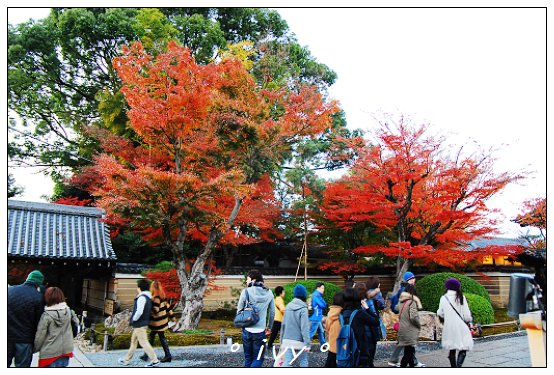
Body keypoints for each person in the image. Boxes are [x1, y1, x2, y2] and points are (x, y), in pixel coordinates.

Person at [237, 269, 275, 367]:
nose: (246, 281)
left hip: (247, 330)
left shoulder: (246, 292)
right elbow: (272, 312)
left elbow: (239, 310)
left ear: (253, 280)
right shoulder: (269, 292)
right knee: (258, 358)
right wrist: (269, 327)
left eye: (248, 279)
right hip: (260, 331)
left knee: (248, 358)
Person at [7, 270, 46, 367]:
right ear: (39, 283)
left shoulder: (9, 290)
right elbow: (39, 322)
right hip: (25, 339)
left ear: (28, 279)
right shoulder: (39, 297)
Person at [33, 287, 79, 367]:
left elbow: (40, 336)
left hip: (49, 353)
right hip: (66, 351)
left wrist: (34, 349)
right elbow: (76, 324)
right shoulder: (68, 311)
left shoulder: (46, 315)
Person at [118, 279, 159, 367]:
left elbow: (139, 311)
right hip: (141, 324)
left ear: (139, 288)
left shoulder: (142, 297)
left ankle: (154, 360)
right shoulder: (148, 297)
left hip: (140, 324)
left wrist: (134, 319)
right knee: (133, 341)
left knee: (143, 342)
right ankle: (126, 360)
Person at [388, 271, 425, 367]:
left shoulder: (405, 289)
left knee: (405, 343)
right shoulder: (405, 290)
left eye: (413, 278)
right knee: (408, 343)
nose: (413, 280)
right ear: (406, 280)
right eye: (410, 279)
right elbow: (400, 307)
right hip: (407, 321)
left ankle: (396, 360)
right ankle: (409, 362)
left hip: (404, 321)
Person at [437, 278, 474, 367]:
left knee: (452, 348)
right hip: (461, 326)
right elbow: (467, 315)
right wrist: (470, 321)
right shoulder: (461, 297)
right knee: (464, 347)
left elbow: (440, 313)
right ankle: (458, 367)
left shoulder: (443, 298)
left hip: (449, 327)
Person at [340, 287, 380, 367]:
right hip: (360, 351)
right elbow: (376, 322)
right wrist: (367, 309)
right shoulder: (359, 313)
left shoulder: (341, 314)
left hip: (344, 351)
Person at [140, 280, 174, 363]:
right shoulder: (162, 296)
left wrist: (148, 310)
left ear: (153, 287)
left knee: (159, 337)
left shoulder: (156, 298)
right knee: (155, 336)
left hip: (157, 322)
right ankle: (147, 355)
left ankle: (167, 355)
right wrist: (172, 317)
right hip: (163, 321)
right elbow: (168, 307)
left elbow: (155, 310)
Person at [280, 284, 311, 367]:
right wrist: (307, 344)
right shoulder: (303, 308)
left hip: (287, 341)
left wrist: (281, 342)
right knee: (303, 361)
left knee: (287, 363)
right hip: (299, 341)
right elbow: (305, 327)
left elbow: (283, 326)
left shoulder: (288, 307)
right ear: (304, 295)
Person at [397, 284, 422, 367]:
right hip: (409, 330)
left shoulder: (401, 302)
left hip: (402, 329)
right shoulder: (412, 302)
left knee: (409, 351)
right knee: (408, 353)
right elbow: (413, 317)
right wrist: (419, 325)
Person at [324, 291, 344, 367]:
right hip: (343, 342)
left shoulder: (331, 312)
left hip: (332, 342)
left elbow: (327, 328)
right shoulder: (343, 313)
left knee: (330, 361)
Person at [267, 286, 285, 352]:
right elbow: (282, 310)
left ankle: (269, 345)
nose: (284, 293)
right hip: (279, 319)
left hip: (275, 319)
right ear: (281, 293)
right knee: (282, 333)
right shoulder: (280, 300)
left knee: (274, 333)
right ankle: (283, 345)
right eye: (283, 292)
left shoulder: (275, 299)